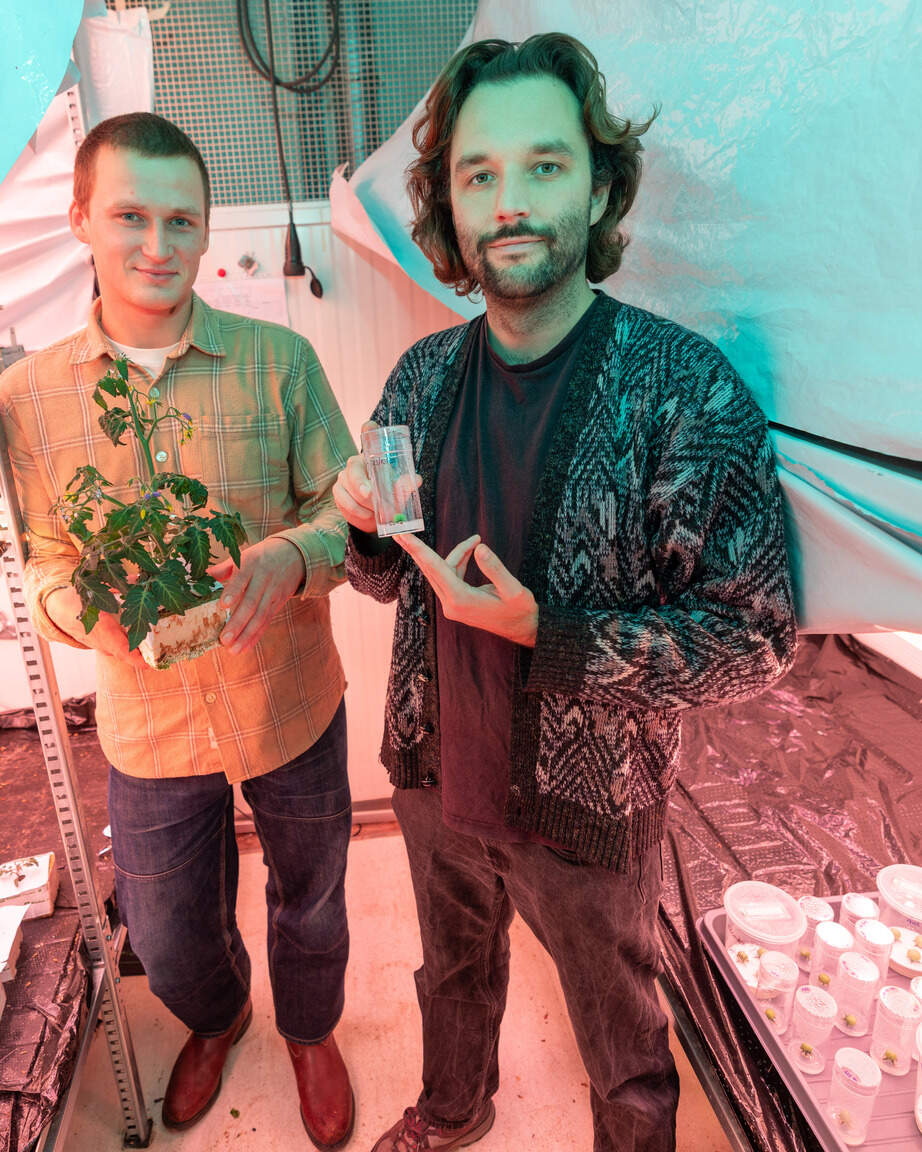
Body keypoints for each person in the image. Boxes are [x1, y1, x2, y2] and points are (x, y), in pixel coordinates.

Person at [333, 32, 797, 1152]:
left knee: (624, 1036)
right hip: (436, 771)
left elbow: (759, 638)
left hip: (590, 819)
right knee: (450, 973)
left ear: (598, 185)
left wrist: (557, 636)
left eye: (544, 166)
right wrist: (360, 530)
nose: (510, 202)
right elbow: (389, 572)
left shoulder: (681, 388)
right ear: (449, 204)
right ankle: (451, 1114)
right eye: (478, 174)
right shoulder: (422, 375)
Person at [0, 113, 356, 1148]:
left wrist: (294, 555)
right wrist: (85, 616)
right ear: (80, 220)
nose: (156, 245)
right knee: (162, 924)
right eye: (128, 216)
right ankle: (220, 1013)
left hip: (287, 696)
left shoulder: (278, 363)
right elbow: (45, 565)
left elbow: (346, 507)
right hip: (149, 721)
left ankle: (309, 1030)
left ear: (206, 235)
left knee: (314, 892)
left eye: (179, 221)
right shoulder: (28, 398)